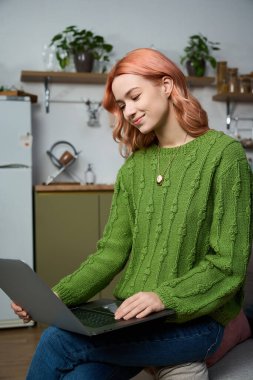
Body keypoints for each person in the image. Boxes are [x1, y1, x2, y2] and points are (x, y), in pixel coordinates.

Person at [12, 48, 252, 379]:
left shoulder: (224, 155)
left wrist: (163, 295)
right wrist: (55, 297)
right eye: (122, 105)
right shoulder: (134, 168)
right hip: (133, 319)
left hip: (197, 324)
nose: (129, 111)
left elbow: (228, 264)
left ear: (166, 85)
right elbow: (110, 253)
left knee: (56, 340)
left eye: (134, 96)